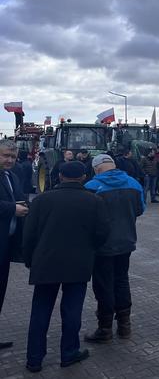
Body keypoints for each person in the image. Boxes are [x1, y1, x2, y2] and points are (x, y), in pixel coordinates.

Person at [22, 161, 109, 372]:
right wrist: (90, 250)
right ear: (84, 177)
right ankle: (69, 353)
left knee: (40, 310)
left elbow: (29, 235)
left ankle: (34, 359)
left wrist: (29, 259)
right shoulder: (94, 201)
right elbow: (102, 233)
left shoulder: (42, 200)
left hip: (46, 263)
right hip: (78, 264)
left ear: (60, 176)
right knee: (72, 311)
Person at [83, 154, 145, 342]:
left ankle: (105, 329)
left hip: (101, 245)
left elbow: (85, 218)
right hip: (126, 242)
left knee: (103, 285)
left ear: (97, 169)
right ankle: (125, 326)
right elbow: (140, 209)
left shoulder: (91, 187)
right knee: (121, 280)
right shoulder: (134, 184)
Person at [0, 139, 29, 349]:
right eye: (5, 156)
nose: (10, 160)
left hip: (7, 244)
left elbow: (18, 198)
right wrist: (12, 209)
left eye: (12, 156)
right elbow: (10, 206)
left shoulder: (12, 176)